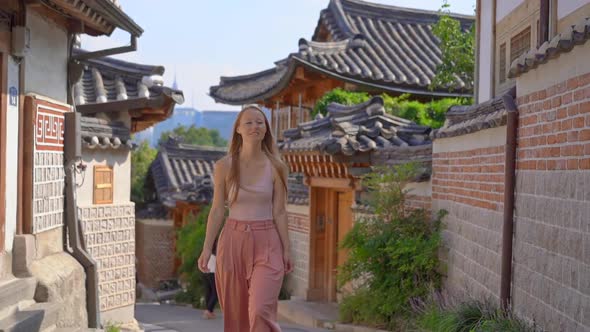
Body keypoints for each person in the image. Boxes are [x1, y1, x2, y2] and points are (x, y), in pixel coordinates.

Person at [197, 104, 293, 332]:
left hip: (268, 242)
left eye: (260, 122)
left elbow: (279, 211)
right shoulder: (224, 166)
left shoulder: (277, 167)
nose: (254, 126)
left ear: (266, 129)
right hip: (232, 242)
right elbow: (218, 209)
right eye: (248, 122)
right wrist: (206, 248)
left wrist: (287, 249)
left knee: (261, 310)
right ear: (238, 129)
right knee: (236, 317)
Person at [202, 237, 218, 319]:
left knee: (208, 291)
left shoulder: (207, 252)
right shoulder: (215, 253)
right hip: (212, 273)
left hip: (206, 272)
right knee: (216, 293)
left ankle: (209, 311)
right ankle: (209, 310)